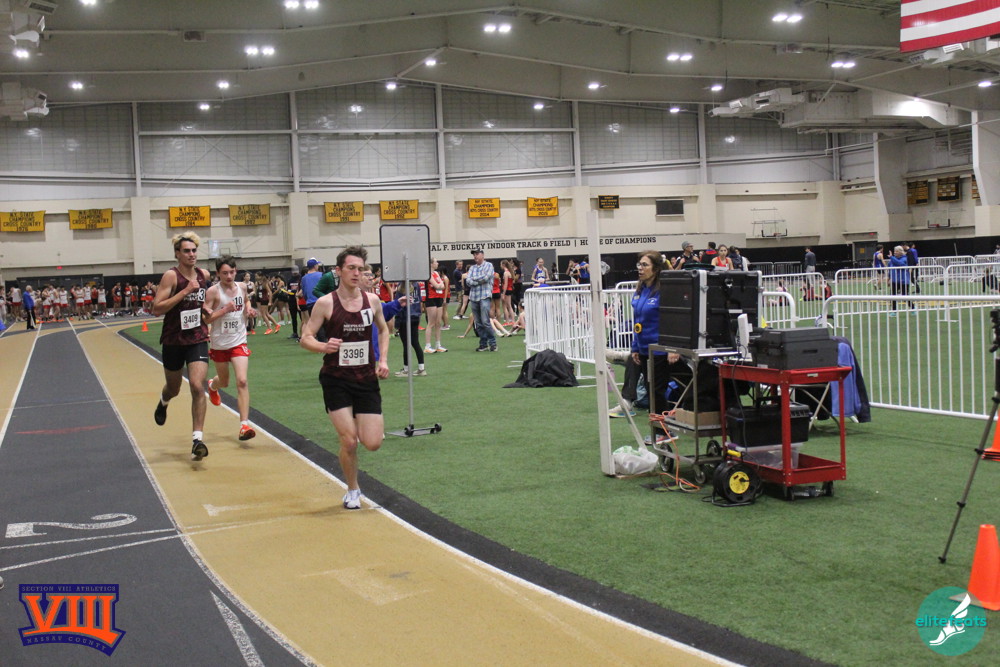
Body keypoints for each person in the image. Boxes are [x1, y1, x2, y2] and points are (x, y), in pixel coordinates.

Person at [300, 245, 390, 510]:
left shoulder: (372, 301)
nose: (356, 273)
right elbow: (306, 338)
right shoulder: (326, 303)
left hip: (366, 379)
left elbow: (384, 330)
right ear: (338, 271)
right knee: (349, 441)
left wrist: (383, 360)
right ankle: (353, 490)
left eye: (360, 269)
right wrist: (323, 346)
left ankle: (358, 422)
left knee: (372, 443)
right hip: (336, 379)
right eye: (351, 268)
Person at [152, 231, 212, 461]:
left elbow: (200, 301)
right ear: (177, 254)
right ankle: (164, 401)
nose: (191, 254)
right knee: (174, 388)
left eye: (194, 250)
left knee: (197, 385)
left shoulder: (203, 275)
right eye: (186, 251)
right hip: (173, 340)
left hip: (197, 337)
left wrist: (205, 308)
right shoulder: (171, 276)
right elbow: (157, 309)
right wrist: (185, 291)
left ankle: (198, 440)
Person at [204, 255, 258, 442]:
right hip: (219, 343)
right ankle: (213, 386)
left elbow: (246, 301)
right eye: (225, 273)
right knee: (224, 382)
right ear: (217, 273)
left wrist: (248, 310)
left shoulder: (242, 287)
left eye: (232, 272)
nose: (229, 276)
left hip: (238, 341)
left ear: (236, 272)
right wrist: (224, 310)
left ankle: (244, 425)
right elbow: (206, 319)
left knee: (242, 381)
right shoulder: (213, 292)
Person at [630, 251, 672, 427]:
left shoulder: (663, 291)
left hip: (660, 350)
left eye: (645, 265)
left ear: (656, 269)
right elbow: (637, 320)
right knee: (650, 391)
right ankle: (658, 429)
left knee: (657, 392)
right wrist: (635, 347)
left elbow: (672, 320)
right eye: (639, 264)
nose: (640, 268)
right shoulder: (640, 290)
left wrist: (672, 348)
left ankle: (663, 431)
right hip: (643, 349)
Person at [466, 248, 498, 352]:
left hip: (484, 296)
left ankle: (493, 343)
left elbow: (486, 278)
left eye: (477, 254)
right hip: (474, 297)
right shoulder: (472, 268)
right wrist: (478, 280)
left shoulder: (489, 265)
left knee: (485, 321)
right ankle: (483, 344)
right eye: (474, 254)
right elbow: (468, 281)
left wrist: (474, 279)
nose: (475, 256)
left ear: (482, 255)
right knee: (478, 323)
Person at [423, 259, 447, 354]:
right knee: (431, 323)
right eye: (436, 262)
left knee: (438, 322)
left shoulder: (436, 273)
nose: (437, 263)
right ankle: (427, 346)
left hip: (439, 298)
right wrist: (439, 285)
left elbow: (443, 285)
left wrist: (439, 285)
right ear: (431, 264)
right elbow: (437, 285)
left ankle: (438, 344)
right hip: (431, 298)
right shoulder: (427, 274)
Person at [888, 245, 915, 314]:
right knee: (892, 296)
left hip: (903, 280)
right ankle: (894, 311)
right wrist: (889, 278)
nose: (895, 252)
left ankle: (913, 308)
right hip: (894, 280)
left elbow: (900, 263)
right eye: (894, 251)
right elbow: (889, 269)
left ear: (901, 252)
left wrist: (891, 257)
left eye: (897, 251)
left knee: (905, 295)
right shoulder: (892, 260)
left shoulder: (904, 258)